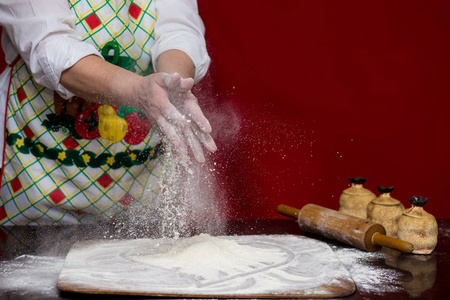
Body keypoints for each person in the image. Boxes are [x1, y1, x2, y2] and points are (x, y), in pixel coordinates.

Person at [0, 0, 217, 225]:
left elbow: (178, 29)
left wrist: (171, 85)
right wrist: (139, 91)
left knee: (146, 252)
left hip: (141, 183)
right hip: (42, 177)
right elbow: (51, 45)